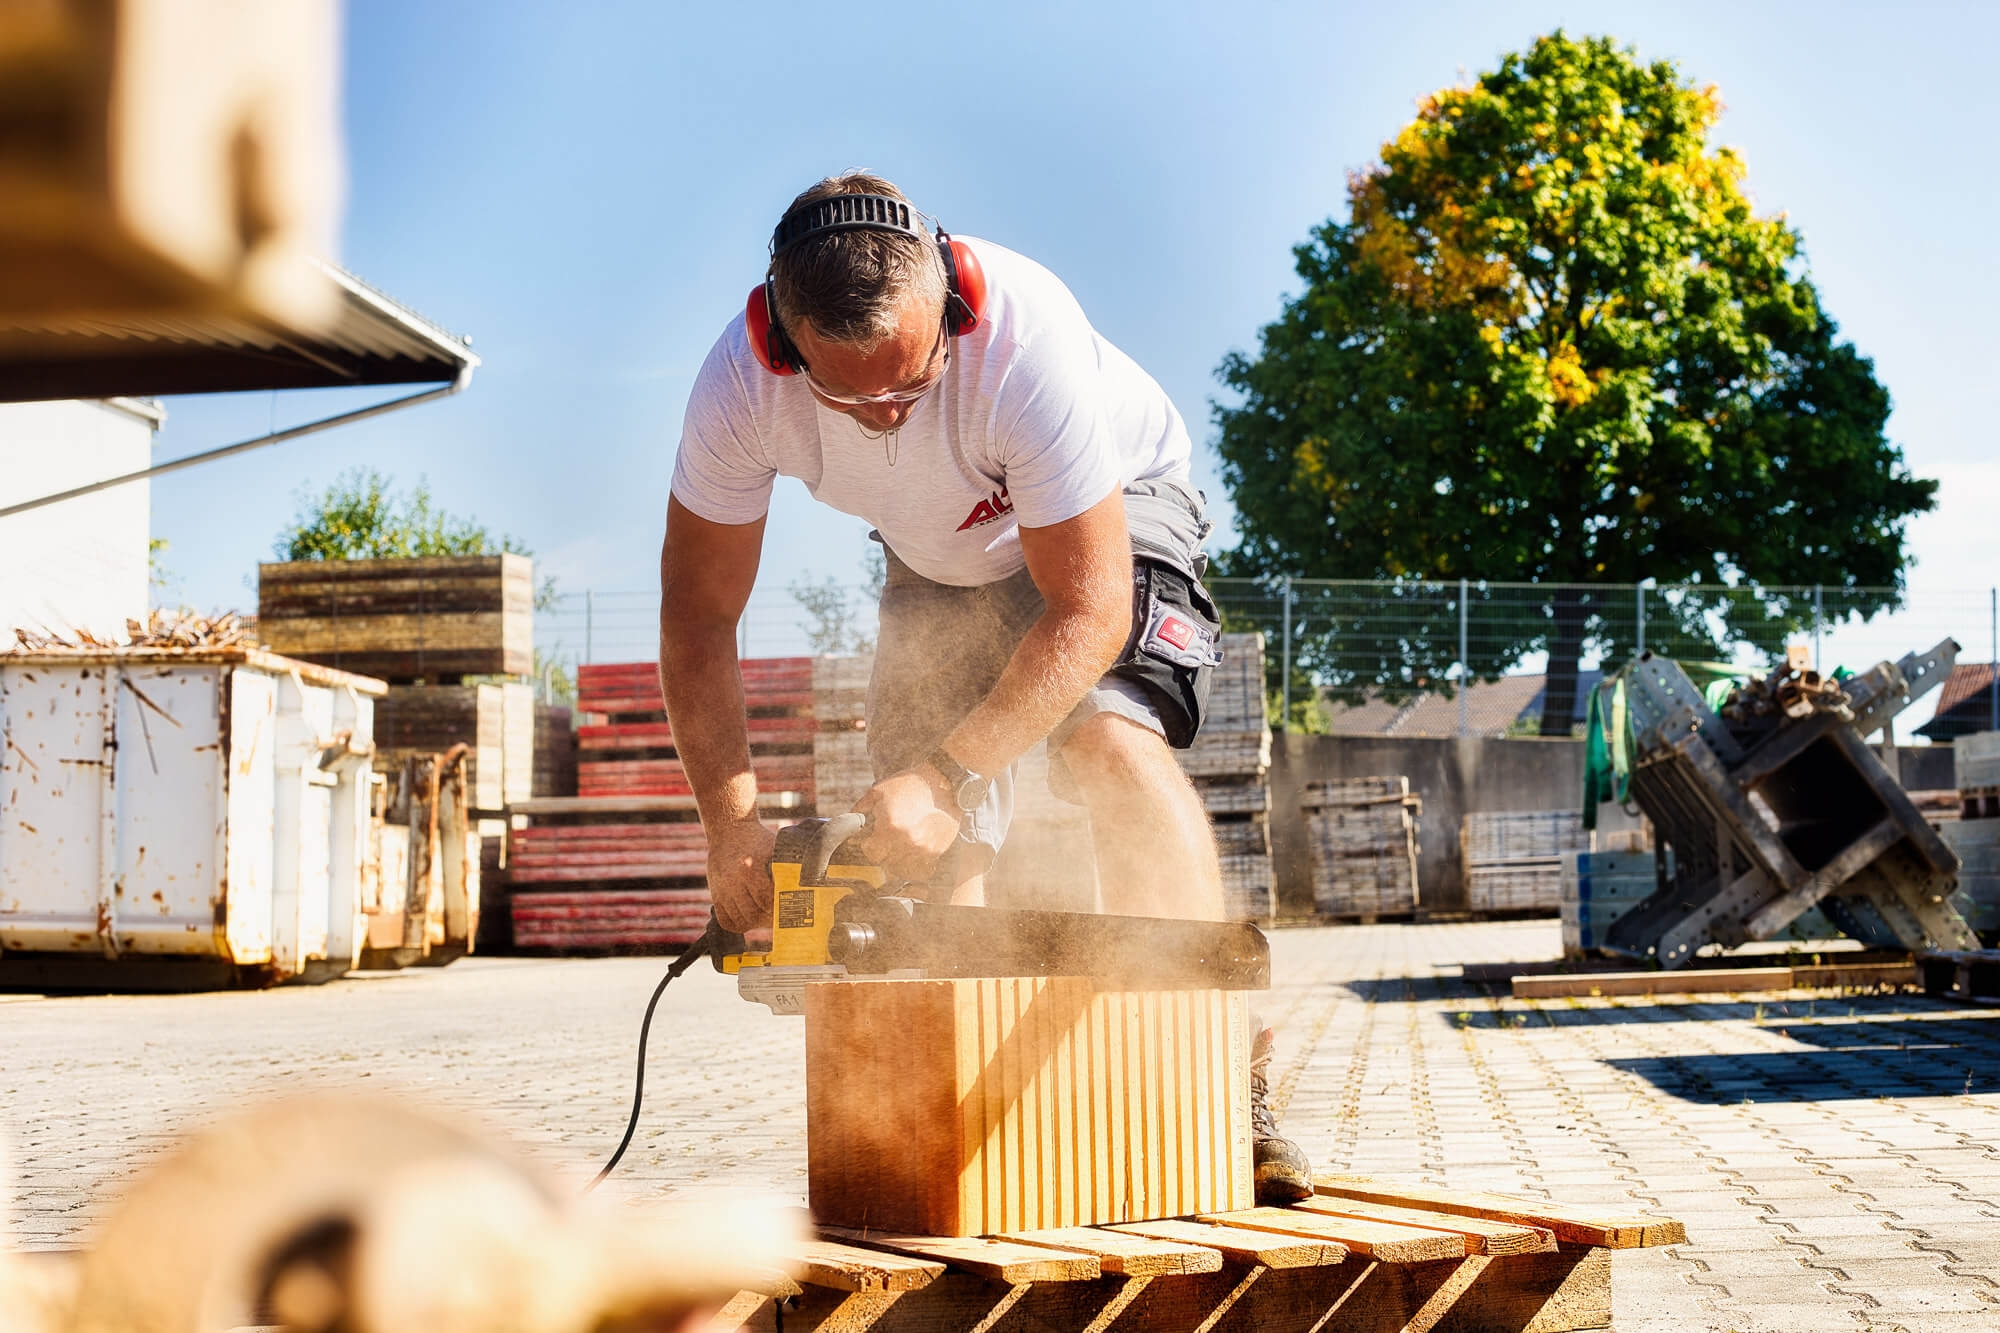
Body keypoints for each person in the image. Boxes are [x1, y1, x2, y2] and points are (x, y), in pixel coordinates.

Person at [658, 171, 1310, 1204]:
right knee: (921, 848)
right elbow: (698, 618)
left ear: (949, 302)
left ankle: (1215, 1071)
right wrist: (729, 824)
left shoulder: (1021, 337)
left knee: (1107, 742)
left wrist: (950, 768)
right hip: (937, 553)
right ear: (780, 343)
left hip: (1111, 512)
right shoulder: (737, 389)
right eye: (852, 395)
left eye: (908, 385)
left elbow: (1089, 610)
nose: (885, 414)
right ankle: (967, 1107)